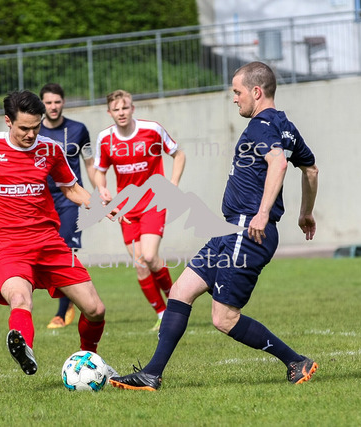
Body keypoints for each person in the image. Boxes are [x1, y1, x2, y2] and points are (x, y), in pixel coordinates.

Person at [109, 61, 320, 390]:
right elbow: (311, 169)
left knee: (224, 318)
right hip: (230, 230)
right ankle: (151, 374)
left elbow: (278, 163)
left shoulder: (262, 125)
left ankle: (296, 361)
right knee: (180, 291)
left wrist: (263, 213)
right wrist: (306, 212)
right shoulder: (285, 126)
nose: (234, 98)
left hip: (247, 231)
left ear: (256, 91)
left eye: (237, 92)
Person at [0, 90, 115, 377]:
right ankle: (24, 348)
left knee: (95, 309)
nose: (31, 134)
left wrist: (99, 205)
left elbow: (70, 188)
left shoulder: (51, 149)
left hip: (49, 242)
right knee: (20, 299)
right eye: (24, 128)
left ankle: (90, 360)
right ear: (8, 121)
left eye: (36, 127)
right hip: (8, 246)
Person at [94, 89, 186, 331]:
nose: (121, 112)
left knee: (150, 256)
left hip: (153, 202)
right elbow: (99, 172)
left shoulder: (152, 130)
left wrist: (173, 183)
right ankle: (163, 314)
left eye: (125, 107)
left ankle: (177, 303)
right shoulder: (104, 138)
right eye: (116, 109)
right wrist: (102, 190)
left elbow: (178, 154)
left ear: (132, 108)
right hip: (126, 210)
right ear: (109, 112)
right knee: (140, 264)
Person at [38, 83, 95, 330]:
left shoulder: (78, 130)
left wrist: (98, 192)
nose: (53, 106)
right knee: (45, 255)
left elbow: (90, 162)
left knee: (64, 250)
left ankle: (62, 311)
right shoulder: (34, 131)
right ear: (42, 104)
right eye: (48, 102)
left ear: (63, 102)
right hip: (42, 201)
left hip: (70, 199)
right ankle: (69, 299)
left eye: (57, 102)